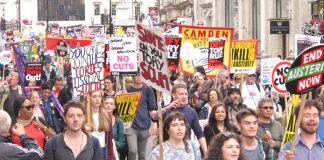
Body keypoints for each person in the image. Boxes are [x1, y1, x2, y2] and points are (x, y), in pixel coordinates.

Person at [163, 83, 208, 155]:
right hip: (168, 151)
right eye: (181, 94)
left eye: (185, 94)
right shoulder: (166, 110)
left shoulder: (191, 111)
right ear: (173, 95)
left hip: (186, 151)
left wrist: (206, 152)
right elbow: (154, 117)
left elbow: (199, 134)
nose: (184, 97)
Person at [125, 75, 158, 160]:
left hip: (144, 125)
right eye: (137, 75)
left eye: (141, 75)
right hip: (130, 125)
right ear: (132, 77)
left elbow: (152, 108)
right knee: (132, 150)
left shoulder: (148, 89)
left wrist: (155, 123)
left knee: (142, 154)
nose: (139, 77)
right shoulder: (127, 89)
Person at [84, 90, 111, 159]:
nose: (97, 99)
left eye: (99, 96)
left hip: (102, 147)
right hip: (88, 148)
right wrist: (83, 128)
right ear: (89, 99)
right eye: (94, 97)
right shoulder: (83, 115)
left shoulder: (105, 115)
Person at [103, 96, 127, 160]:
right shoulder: (98, 119)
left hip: (114, 151)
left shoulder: (118, 121)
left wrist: (109, 143)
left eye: (111, 104)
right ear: (102, 105)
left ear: (115, 107)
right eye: (106, 103)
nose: (108, 105)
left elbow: (122, 142)